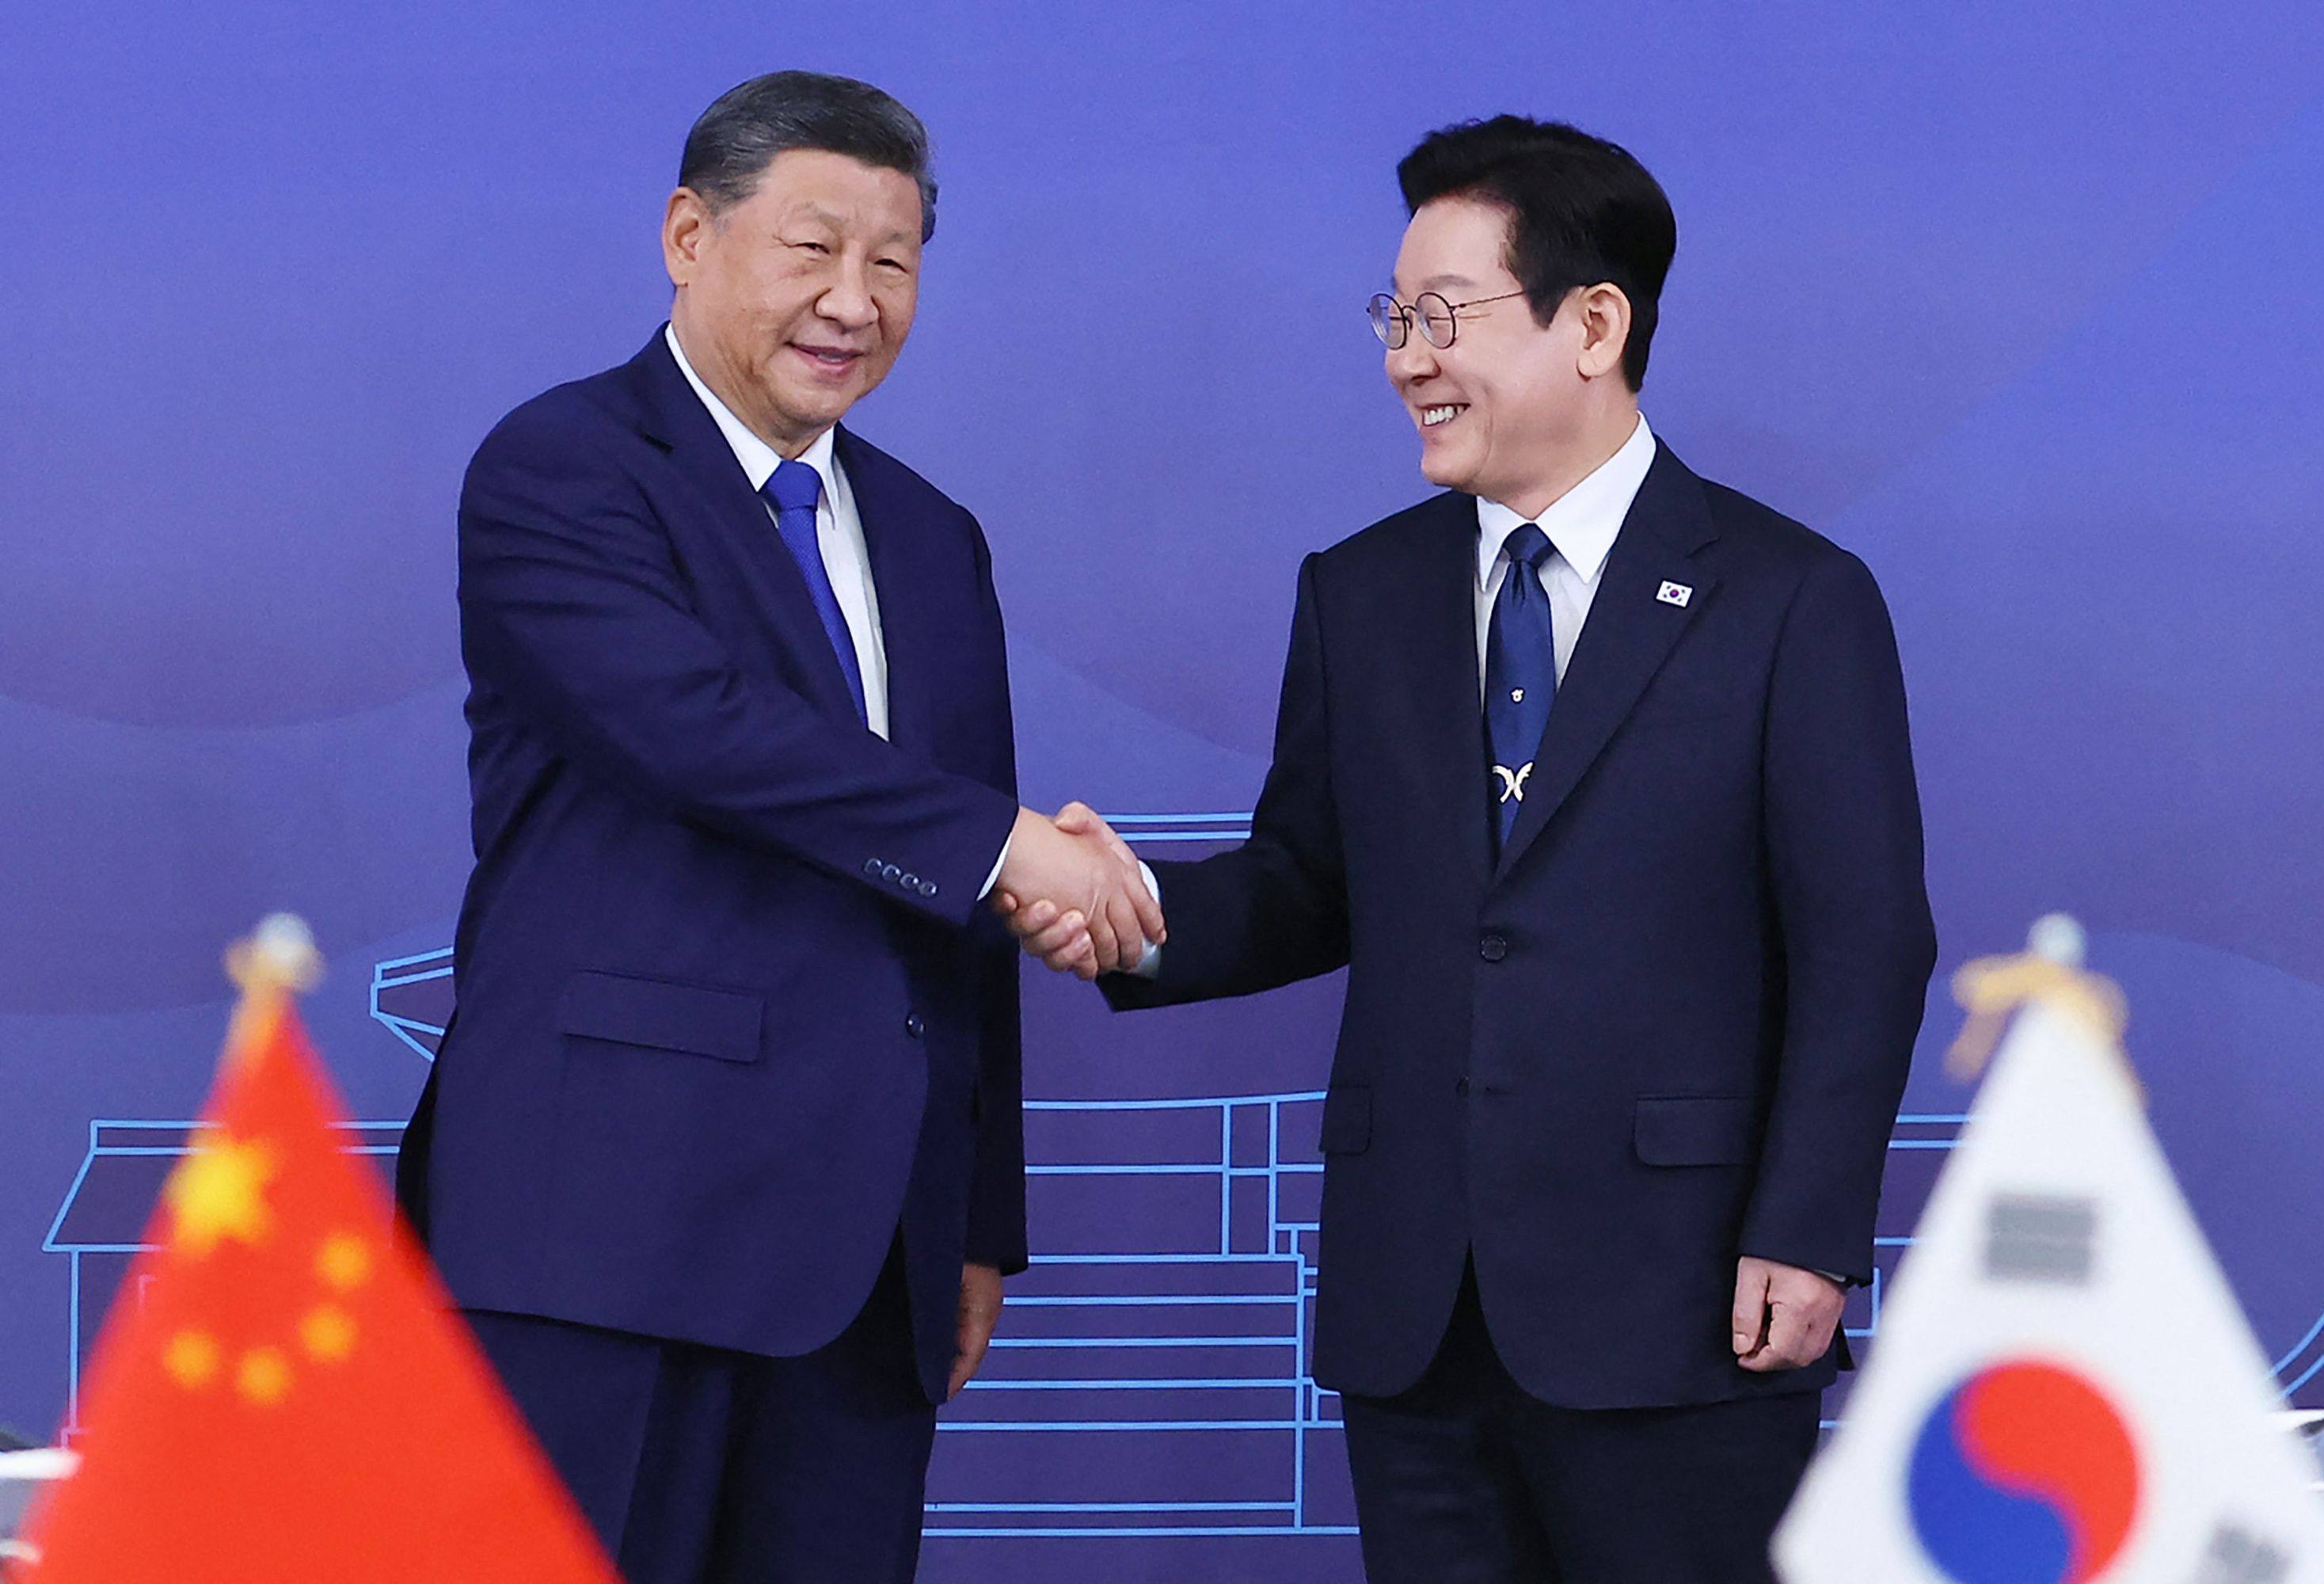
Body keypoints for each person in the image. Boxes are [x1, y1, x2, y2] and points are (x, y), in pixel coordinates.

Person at [1004, 115, 1934, 1582]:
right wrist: (1129, 913)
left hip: (1681, 1303)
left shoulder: (1789, 601)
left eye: (1443, 318)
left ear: (1595, 324)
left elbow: (1864, 943)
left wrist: (1809, 1233)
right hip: (1416, 1304)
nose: (1403, 360)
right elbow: (1310, 878)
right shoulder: (1362, 594)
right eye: (1394, 318)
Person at [394, 70, 1161, 1584]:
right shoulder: (566, 470)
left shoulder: (934, 539)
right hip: (603, 1234)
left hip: (866, 1267)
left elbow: (959, 911)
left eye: (893, 261)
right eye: (811, 249)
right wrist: (1015, 846)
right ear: (690, 237)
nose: (853, 301)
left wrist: (974, 1219)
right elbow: (706, 737)